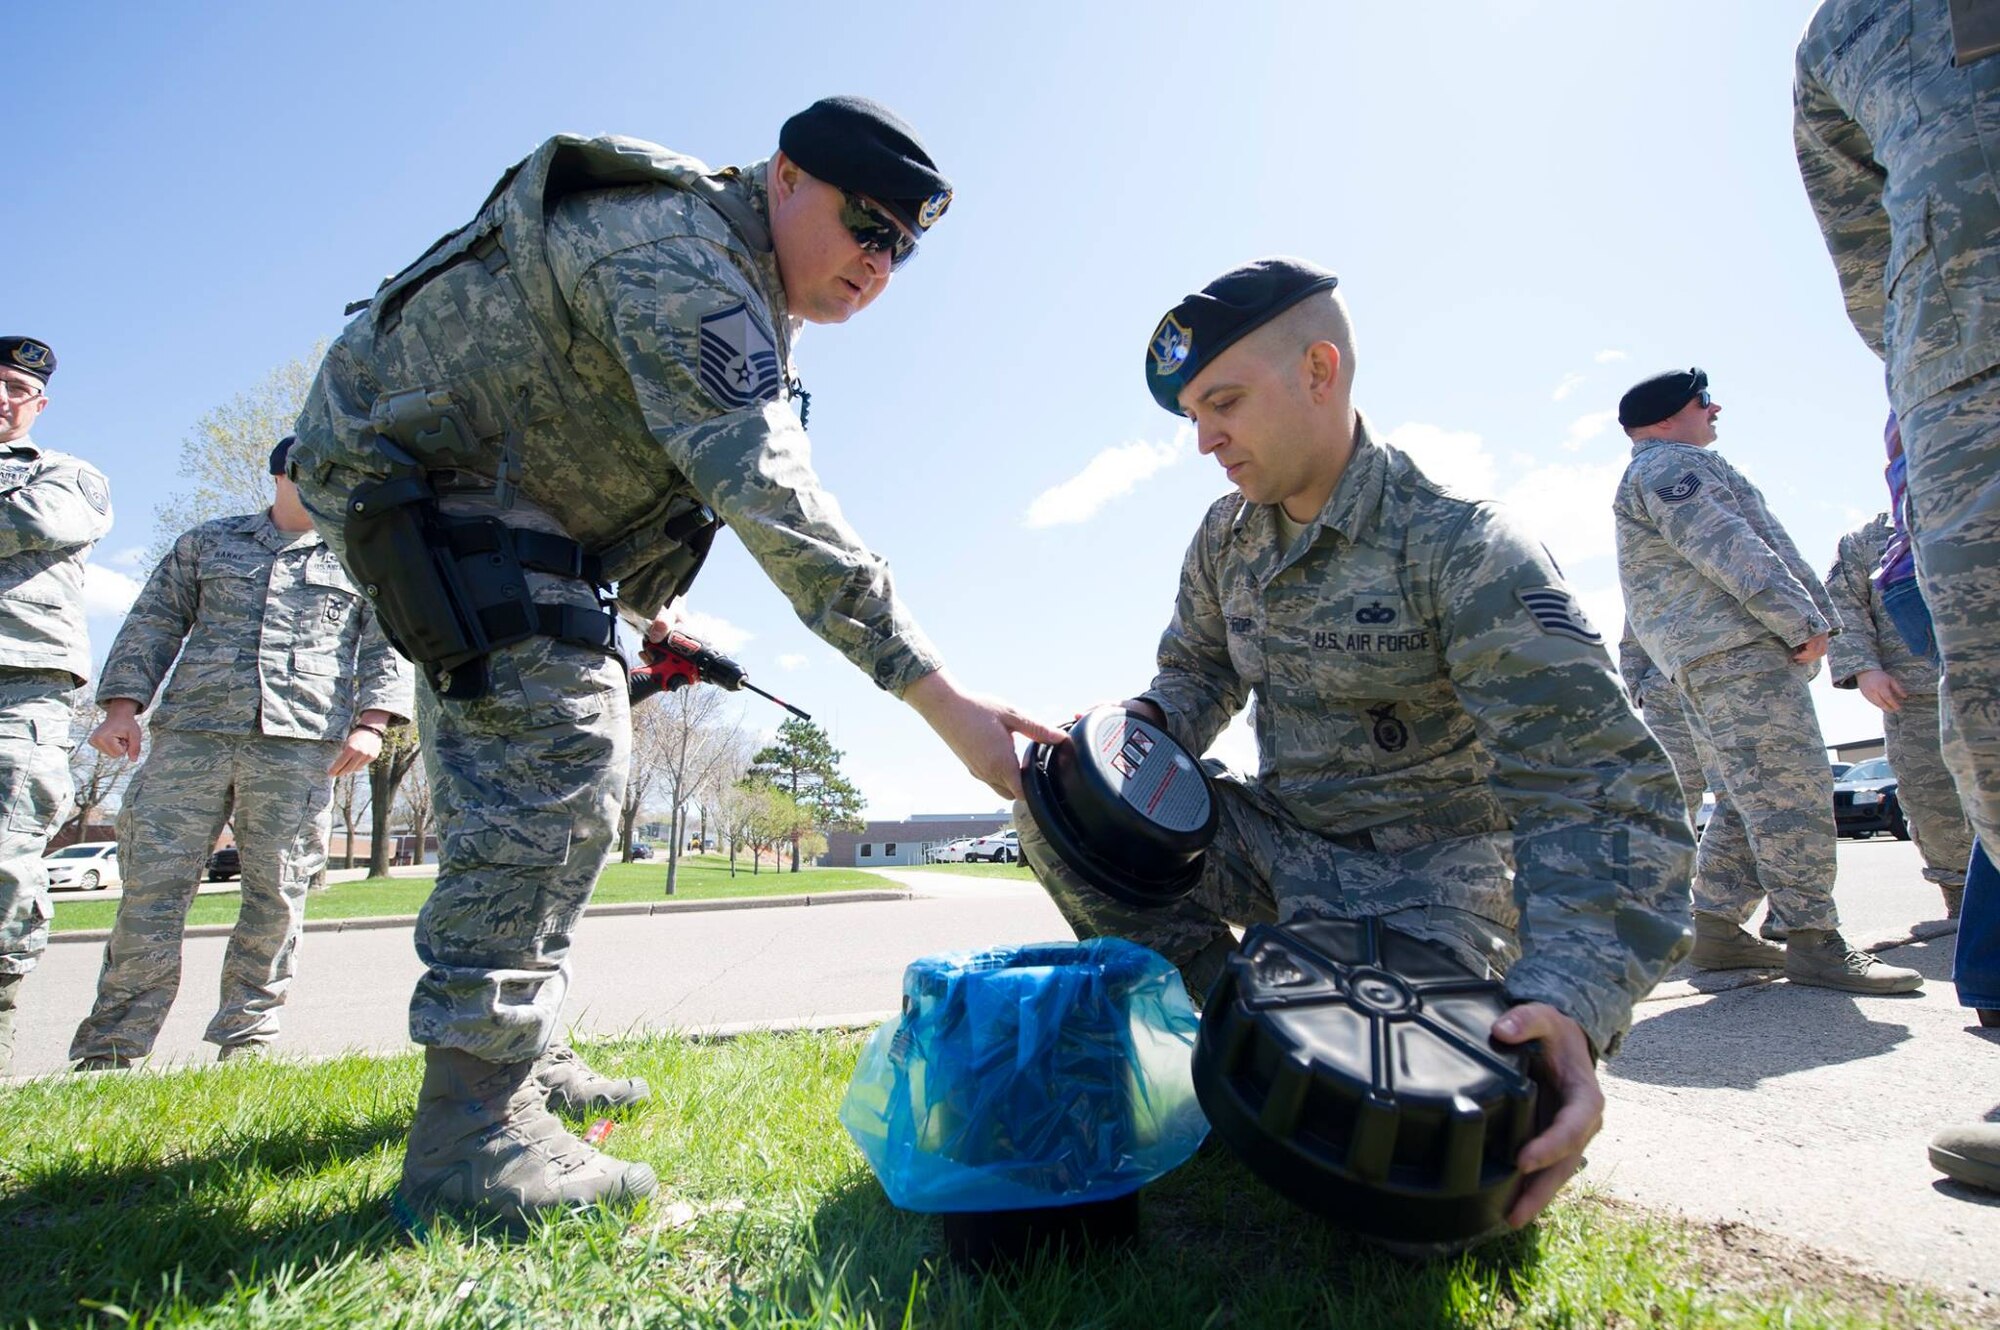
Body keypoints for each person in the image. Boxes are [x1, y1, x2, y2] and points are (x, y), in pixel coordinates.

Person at [289, 98, 1062, 1223]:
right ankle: (471, 1134)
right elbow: (771, 498)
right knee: (557, 761)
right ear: (786, 176)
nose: (878, 264)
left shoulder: (750, 278)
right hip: (422, 480)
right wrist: (938, 700)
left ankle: (522, 1063)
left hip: (508, 496)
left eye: (901, 248)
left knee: (561, 763)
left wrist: (647, 614)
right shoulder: (681, 258)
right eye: (866, 226)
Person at [1016, 258, 1696, 1232]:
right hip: (1283, 837)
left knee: (1414, 1159)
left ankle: (1332, 1086)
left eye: (1223, 403)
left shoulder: (1461, 543)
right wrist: (1138, 733)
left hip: (1434, 879)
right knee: (1055, 816)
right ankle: (1226, 1059)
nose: (1204, 438)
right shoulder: (1225, 540)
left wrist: (1572, 1002)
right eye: (1192, 417)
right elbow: (1197, 671)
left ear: (1319, 371)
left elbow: (1592, 784)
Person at [1794, 0, 2000, 1194]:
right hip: (1971, 384)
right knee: (1982, 731)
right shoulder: (1844, 34)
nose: (1715, 415)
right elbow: (1871, 258)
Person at [67, 438, 413, 1066]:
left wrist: (374, 721)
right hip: (191, 739)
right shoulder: (208, 542)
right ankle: (111, 1049)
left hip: (298, 748)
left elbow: (388, 643)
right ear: (280, 473)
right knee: (151, 891)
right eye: (311, 472)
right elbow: (154, 621)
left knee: (277, 895)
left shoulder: (361, 554)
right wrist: (122, 707)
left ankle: (247, 1038)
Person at [1612, 367, 1919, 994]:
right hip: (1736, 653)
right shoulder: (1670, 467)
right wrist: (1799, 618)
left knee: (1752, 794)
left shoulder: (1665, 465)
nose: (1715, 408)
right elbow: (1726, 544)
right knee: (1792, 790)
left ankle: (1719, 929)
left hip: (1722, 654)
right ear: (1669, 417)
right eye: (1704, 401)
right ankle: (1814, 940)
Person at [0, 336, 112, 1075]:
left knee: (5, 871)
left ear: (38, 402)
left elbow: (29, 526)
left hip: (18, 690)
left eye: (14, 386)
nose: (1, 397)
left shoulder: (66, 476)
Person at [1823, 508, 1972, 924]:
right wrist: (1864, 668)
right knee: (1935, 802)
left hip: (1985, 680)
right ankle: (1963, 902)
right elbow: (1844, 607)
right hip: (1915, 694)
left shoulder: (1979, 504)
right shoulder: (1867, 539)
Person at [1616, 623, 1705, 823]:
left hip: (1731, 686)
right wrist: (1638, 690)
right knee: (1672, 794)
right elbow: (1631, 643)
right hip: (1667, 702)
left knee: (1747, 790)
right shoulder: (1645, 590)